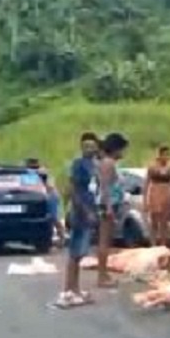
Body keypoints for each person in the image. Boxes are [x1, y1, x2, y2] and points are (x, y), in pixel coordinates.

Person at [55, 132, 100, 309]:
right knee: (75, 252)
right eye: (86, 146)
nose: (89, 149)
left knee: (81, 253)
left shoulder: (93, 165)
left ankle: (76, 289)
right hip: (81, 212)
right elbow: (73, 189)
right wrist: (85, 210)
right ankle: (68, 290)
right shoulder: (78, 165)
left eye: (92, 145)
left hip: (90, 209)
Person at [96, 132, 129, 289]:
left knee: (107, 241)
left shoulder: (110, 163)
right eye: (121, 149)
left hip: (112, 204)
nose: (123, 153)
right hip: (107, 205)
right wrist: (108, 207)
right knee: (104, 241)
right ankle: (101, 276)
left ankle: (104, 273)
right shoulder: (108, 163)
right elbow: (105, 187)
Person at [144, 145, 170, 247]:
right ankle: (153, 244)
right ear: (160, 154)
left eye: (168, 154)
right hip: (155, 192)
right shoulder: (152, 166)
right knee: (154, 220)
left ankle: (163, 243)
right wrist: (145, 199)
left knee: (165, 221)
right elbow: (146, 182)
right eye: (165, 154)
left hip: (166, 192)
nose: (167, 157)